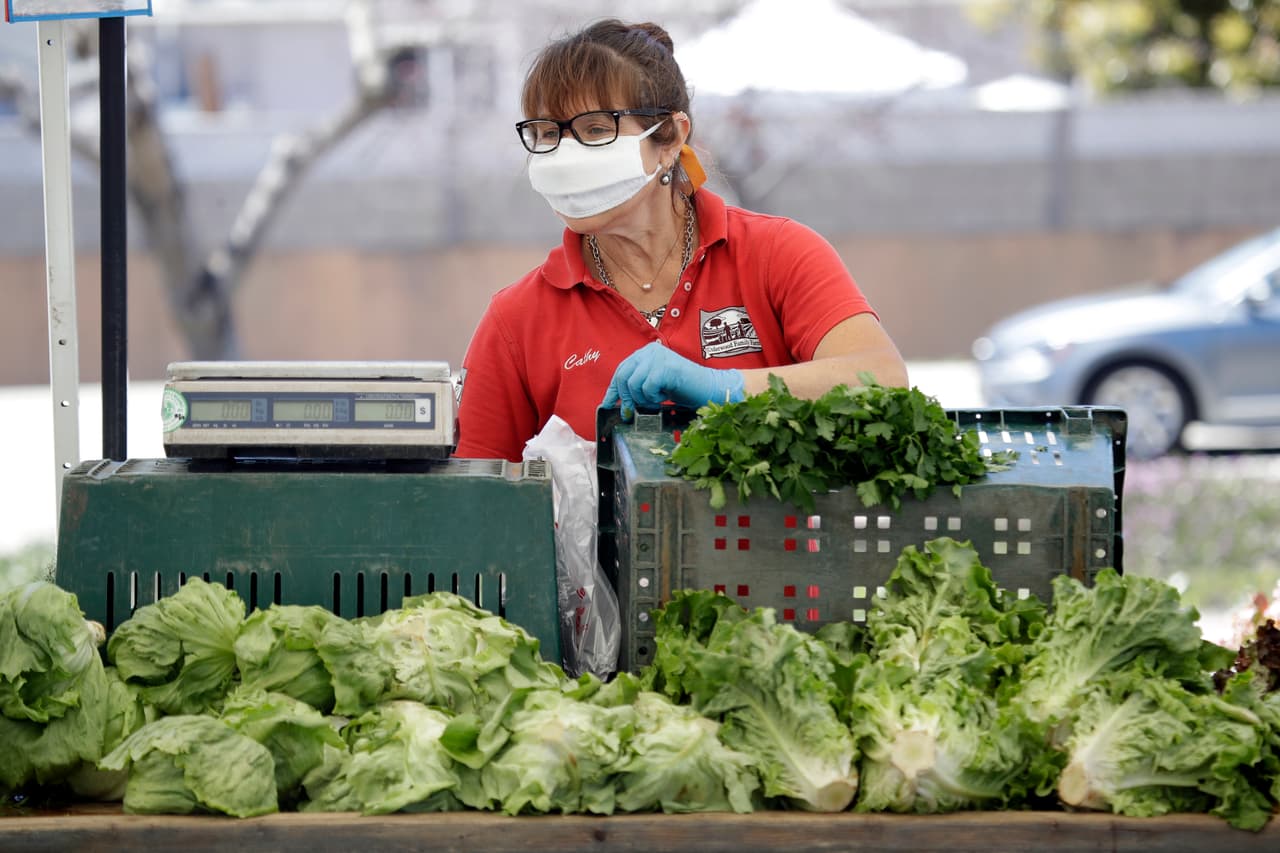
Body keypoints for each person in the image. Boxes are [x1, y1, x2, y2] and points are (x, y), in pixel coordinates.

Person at [454, 18, 908, 462]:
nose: (566, 155)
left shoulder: (777, 253)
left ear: (671, 138)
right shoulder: (517, 319)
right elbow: (472, 491)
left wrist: (727, 389)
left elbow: (883, 381)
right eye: (548, 133)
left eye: (596, 129)